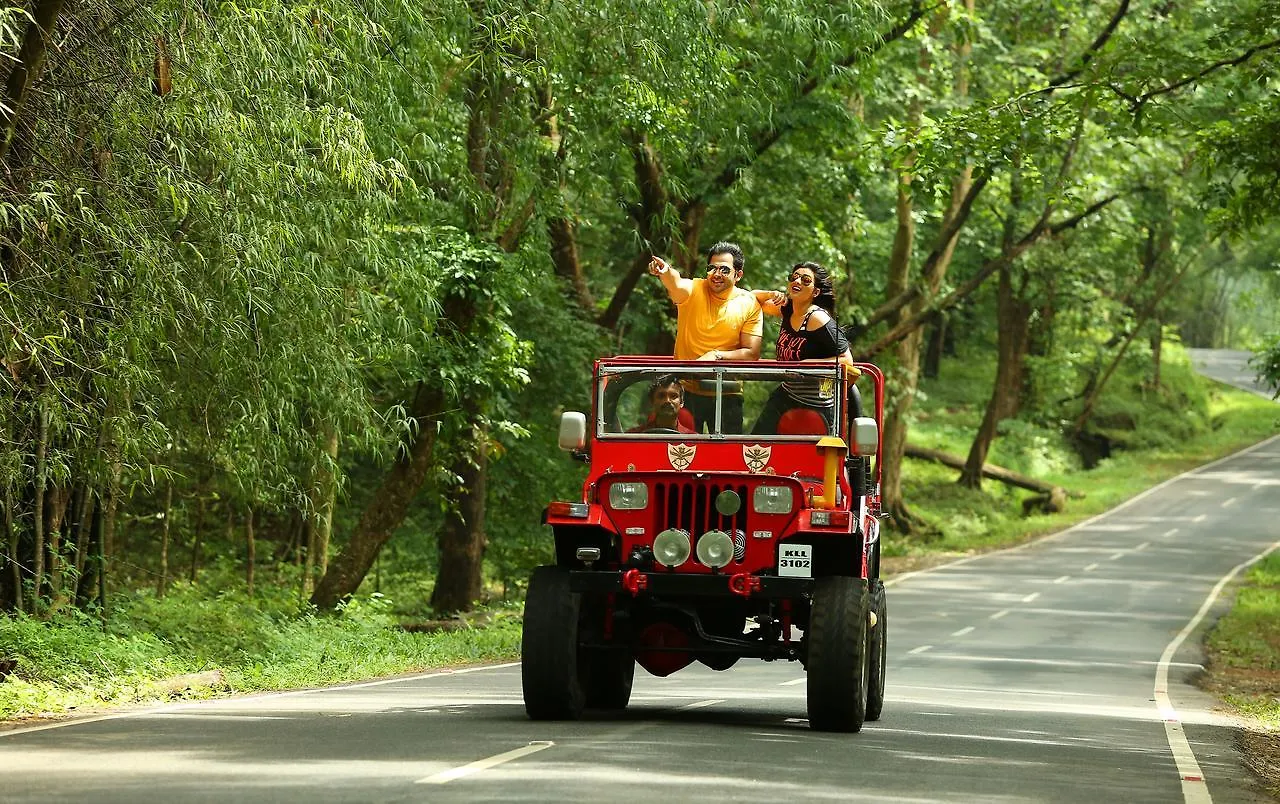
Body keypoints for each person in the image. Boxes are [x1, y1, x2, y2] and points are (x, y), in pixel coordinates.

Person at [648, 242, 763, 433]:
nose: (716, 274)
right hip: (686, 391)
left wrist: (717, 356)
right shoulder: (694, 289)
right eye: (712, 268)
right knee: (681, 455)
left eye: (724, 269)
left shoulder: (749, 303)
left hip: (727, 391)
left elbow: (751, 353)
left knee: (728, 457)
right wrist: (665, 271)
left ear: (738, 275)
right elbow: (675, 282)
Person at [750, 261, 856, 434]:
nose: (797, 282)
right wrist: (771, 293)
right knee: (756, 445)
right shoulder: (788, 310)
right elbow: (750, 300)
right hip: (786, 394)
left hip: (814, 405)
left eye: (805, 280)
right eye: (794, 277)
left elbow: (847, 360)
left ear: (815, 292)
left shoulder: (817, 319)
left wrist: (806, 364)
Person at [627, 375, 696, 434]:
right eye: (661, 396)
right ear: (652, 402)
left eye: (673, 396)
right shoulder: (633, 436)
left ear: (681, 403)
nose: (667, 401)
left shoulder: (694, 440)